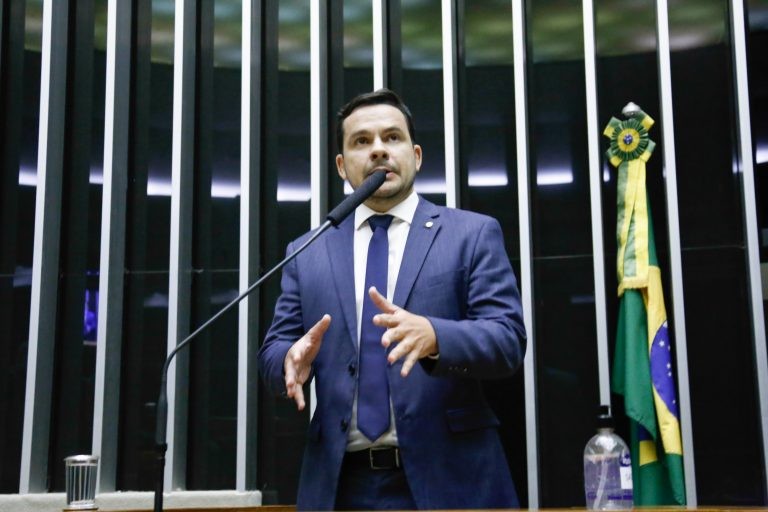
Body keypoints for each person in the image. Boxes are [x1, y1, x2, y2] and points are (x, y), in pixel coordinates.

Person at [258, 88, 526, 510]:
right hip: (340, 487)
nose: (379, 150)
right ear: (343, 166)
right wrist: (289, 360)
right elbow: (274, 354)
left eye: (392, 137)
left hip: (452, 481)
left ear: (415, 155)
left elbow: (508, 341)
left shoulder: (471, 235)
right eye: (362, 141)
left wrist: (436, 335)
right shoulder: (308, 249)